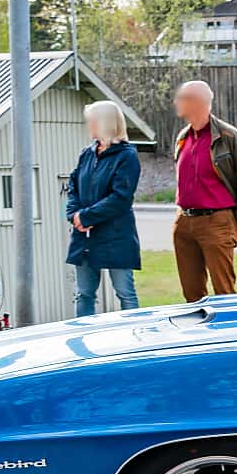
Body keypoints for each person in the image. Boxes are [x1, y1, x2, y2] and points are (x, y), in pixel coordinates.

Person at [170, 79, 237, 302]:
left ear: (197, 102)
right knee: (191, 294)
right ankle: (199, 336)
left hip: (217, 222)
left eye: (182, 98)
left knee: (224, 293)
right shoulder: (183, 137)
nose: (176, 102)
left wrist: (235, 220)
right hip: (184, 222)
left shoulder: (229, 137)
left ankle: (229, 334)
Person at [67, 100, 143, 317]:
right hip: (85, 237)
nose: (88, 125)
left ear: (104, 123)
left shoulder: (127, 156)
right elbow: (72, 185)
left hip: (116, 236)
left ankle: (134, 337)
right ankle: (83, 335)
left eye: (91, 121)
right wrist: (74, 215)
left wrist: (87, 216)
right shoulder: (87, 154)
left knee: (124, 292)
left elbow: (121, 198)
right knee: (84, 293)